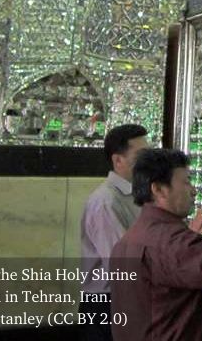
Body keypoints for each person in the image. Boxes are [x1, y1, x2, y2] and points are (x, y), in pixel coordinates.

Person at [110, 148, 202, 341]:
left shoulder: (130, 240)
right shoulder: (168, 241)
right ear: (158, 189)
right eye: (186, 182)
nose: (194, 190)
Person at [78, 124, 148, 341]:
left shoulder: (135, 195)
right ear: (118, 160)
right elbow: (121, 264)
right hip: (106, 305)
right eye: (142, 155)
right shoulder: (106, 201)